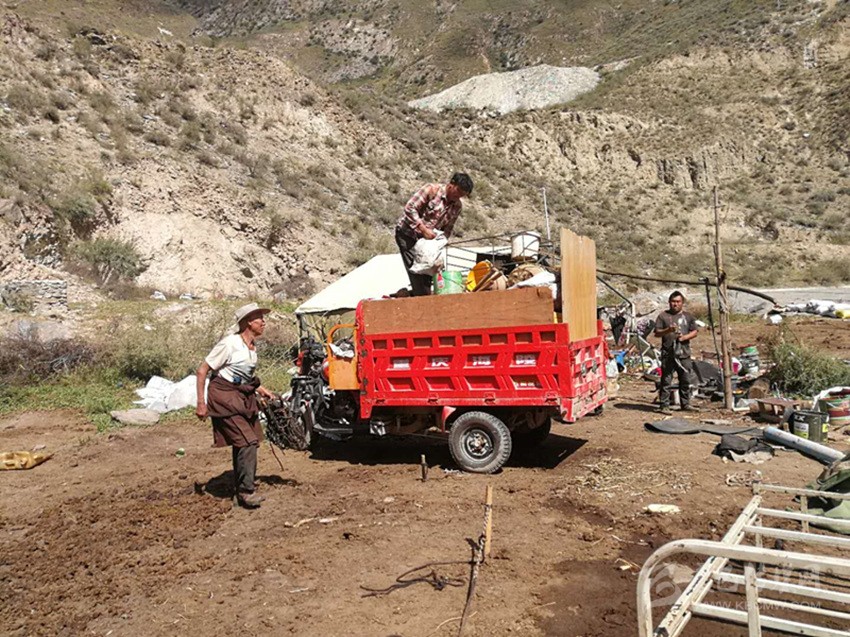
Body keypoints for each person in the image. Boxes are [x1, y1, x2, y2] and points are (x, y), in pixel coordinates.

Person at [196, 303, 276, 509]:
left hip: (240, 396)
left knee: (246, 441)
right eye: (259, 318)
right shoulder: (229, 344)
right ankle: (246, 492)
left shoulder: (252, 347)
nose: (263, 322)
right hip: (224, 397)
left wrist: (261, 390)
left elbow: (243, 376)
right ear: (248, 322)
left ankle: (240, 487)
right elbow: (202, 370)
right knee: (248, 442)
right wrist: (201, 403)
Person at [395, 172, 473, 296]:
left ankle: (412, 296)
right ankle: (420, 299)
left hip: (427, 243)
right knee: (417, 272)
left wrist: (439, 244)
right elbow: (410, 208)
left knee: (429, 272)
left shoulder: (457, 206)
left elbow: (447, 229)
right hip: (408, 235)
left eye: (462, 194)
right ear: (451, 184)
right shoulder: (431, 190)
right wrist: (423, 229)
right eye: (458, 191)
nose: (458, 196)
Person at [654, 291, 699, 414]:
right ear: (669, 302)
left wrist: (684, 337)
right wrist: (668, 330)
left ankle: (685, 404)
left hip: (684, 354)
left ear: (682, 303)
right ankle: (664, 405)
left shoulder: (688, 316)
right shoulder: (663, 316)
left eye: (678, 302)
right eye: (673, 301)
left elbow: (695, 331)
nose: (675, 304)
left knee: (685, 380)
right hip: (668, 354)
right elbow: (657, 333)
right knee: (666, 380)